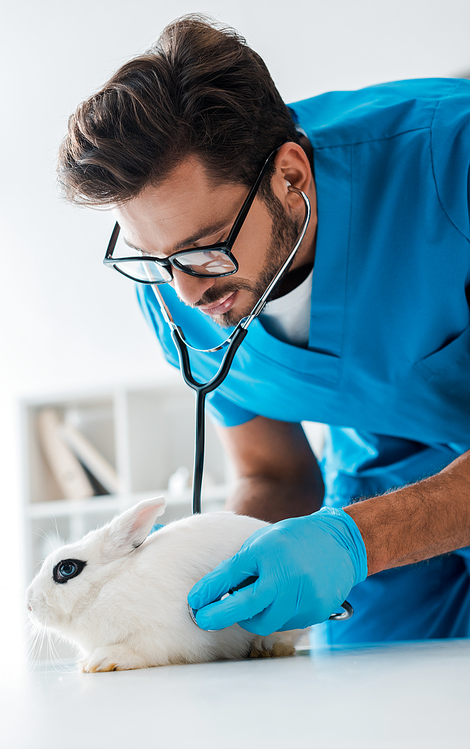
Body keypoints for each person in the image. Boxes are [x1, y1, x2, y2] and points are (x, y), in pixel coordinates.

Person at [58, 15, 470, 646]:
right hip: (385, 482)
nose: (188, 291)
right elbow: (277, 475)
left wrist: (354, 542)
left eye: (203, 249)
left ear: (291, 177)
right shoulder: (171, 290)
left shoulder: (452, 163)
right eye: (155, 258)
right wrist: (195, 578)